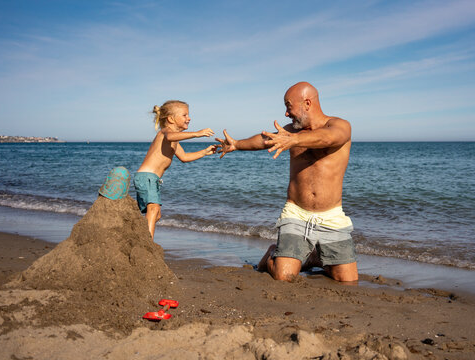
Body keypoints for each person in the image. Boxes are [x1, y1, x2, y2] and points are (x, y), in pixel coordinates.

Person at [216, 82, 358, 282]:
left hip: (332, 217)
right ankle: (272, 254)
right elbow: (264, 139)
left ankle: (315, 258)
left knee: (347, 280)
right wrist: (237, 144)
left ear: (307, 103)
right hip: (296, 213)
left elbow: (329, 138)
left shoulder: (339, 125)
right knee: (284, 276)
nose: (286, 113)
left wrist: (294, 140)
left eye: (288, 106)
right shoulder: (290, 131)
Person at [135, 100, 217, 240]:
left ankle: (137, 235)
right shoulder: (166, 132)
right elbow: (170, 136)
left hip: (152, 179)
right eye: (184, 115)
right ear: (171, 119)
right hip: (147, 176)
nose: (189, 118)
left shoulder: (174, 140)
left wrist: (204, 152)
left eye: (188, 115)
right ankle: (146, 243)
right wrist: (197, 134)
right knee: (153, 209)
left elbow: (184, 157)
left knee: (156, 214)